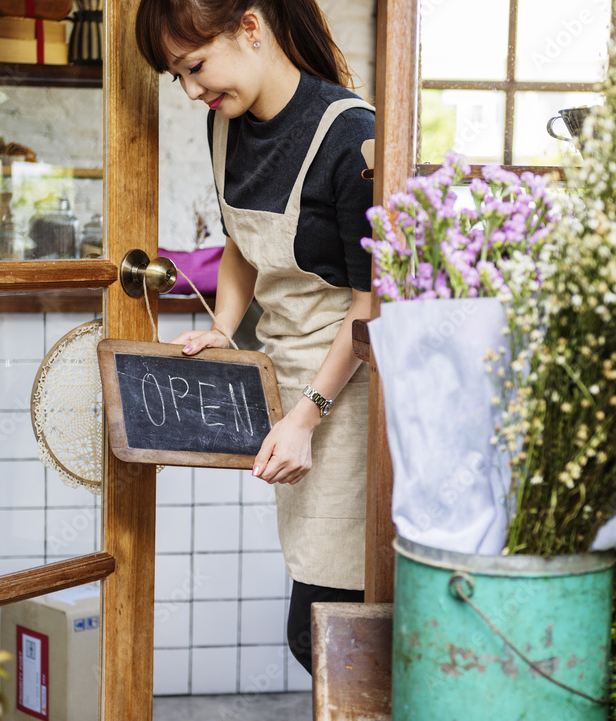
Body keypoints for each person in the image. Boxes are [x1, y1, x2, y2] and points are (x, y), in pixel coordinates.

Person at [134, 0, 374, 674]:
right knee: (328, 632)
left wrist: (310, 413)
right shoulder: (227, 126)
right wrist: (221, 325)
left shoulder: (349, 137)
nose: (191, 91)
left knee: (326, 636)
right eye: (177, 76)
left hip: (348, 398)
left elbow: (371, 307)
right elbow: (241, 244)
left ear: (250, 27)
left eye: (195, 67)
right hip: (288, 384)